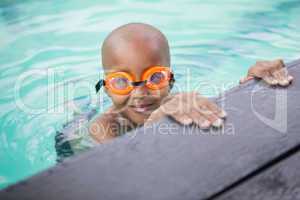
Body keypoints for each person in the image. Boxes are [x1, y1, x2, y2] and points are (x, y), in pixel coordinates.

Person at [87, 23, 293, 143]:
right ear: (106, 88)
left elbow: (220, 114)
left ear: (170, 80)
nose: (140, 93)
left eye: (155, 77)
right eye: (121, 82)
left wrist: (250, 86)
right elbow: (123, 174)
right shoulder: (104, 127)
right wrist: (152, 126)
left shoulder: (178, 103)